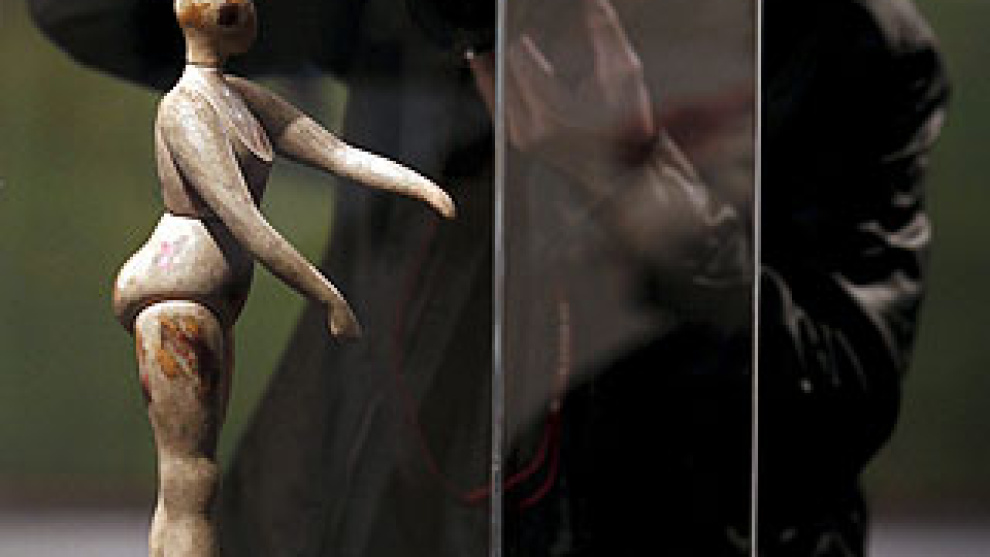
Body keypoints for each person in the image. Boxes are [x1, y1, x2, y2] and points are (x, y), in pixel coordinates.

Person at [30, 0, 948, 555]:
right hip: (360, 511)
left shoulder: (844, 39)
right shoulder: (422, 11)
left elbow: (834, 394)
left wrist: (628, 175)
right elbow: (88, 13)